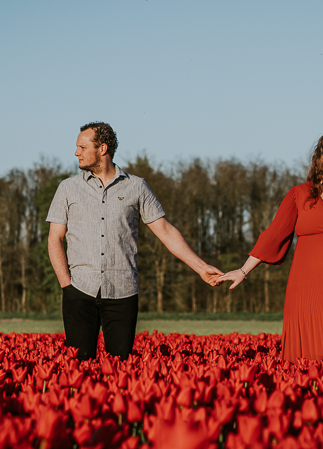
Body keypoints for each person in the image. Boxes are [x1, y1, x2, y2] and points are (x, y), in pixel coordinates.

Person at [47, 122, 222, 360]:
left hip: (123, 291)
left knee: (120, 370)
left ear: (102, 148)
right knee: (78, 368)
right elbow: (55, 239)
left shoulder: (137, 186)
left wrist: (201, 268)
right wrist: (66, 286)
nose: (76, 152)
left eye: (82, 147)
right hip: (79, 291)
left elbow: (165, 231)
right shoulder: (67, 188)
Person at [216, 130, 323, 360]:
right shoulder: (300, 195)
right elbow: (273, 236)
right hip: (309, 293)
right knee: (312, 361)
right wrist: (243, 270)